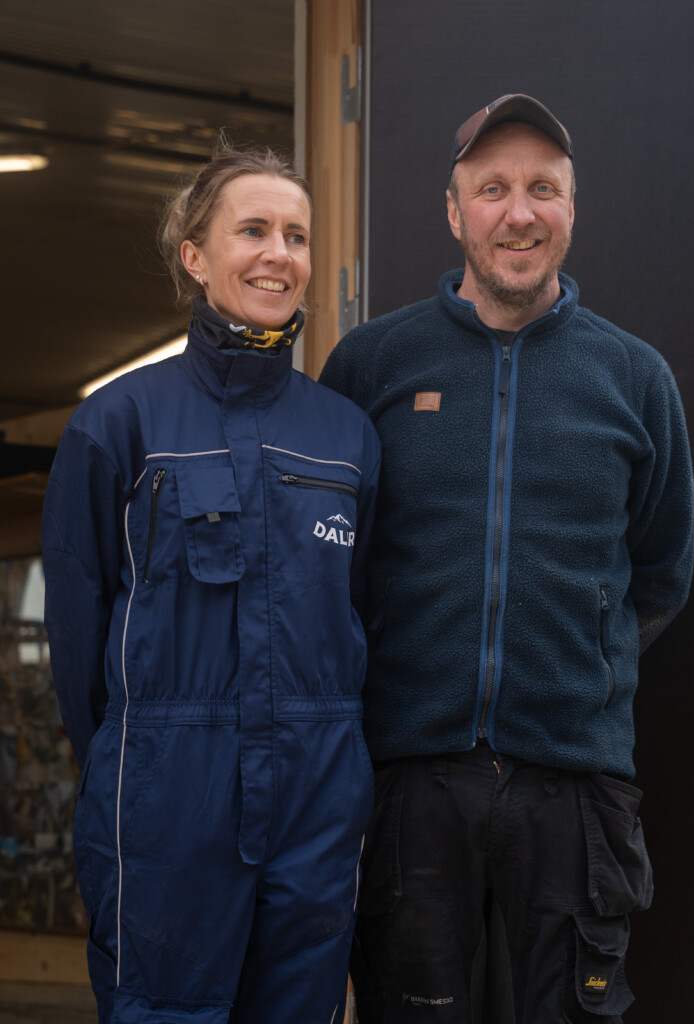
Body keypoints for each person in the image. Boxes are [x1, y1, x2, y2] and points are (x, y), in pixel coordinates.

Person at [318, 94, 694, 1023]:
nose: (518, 212)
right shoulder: (372, 365)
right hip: (410, 784)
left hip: (572, 790)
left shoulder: (635, 379)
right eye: (492, 189)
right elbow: (334, 572)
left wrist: (578, 668)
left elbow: (661, 570)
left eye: (543, 189)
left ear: (572, 208)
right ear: (455, 213)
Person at [42, 142, 380, 1024]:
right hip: (165, 786)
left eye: (298, 236)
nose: (280, 254)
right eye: (254, 230)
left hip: (317, 788)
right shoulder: (118, 422)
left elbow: (364, 613)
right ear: (194, 256)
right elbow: (78, 638)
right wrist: (134, 762)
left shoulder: (344, 434)